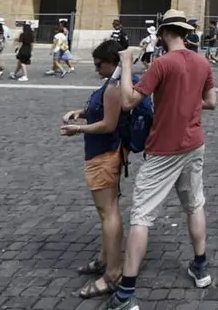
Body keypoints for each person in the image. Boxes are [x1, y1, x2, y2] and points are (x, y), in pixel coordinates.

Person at [111, 10, 217, 309]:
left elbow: (129, 100)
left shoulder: (161, 64)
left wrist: (127, 64)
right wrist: (186, 104)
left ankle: (127, 291)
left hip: (164, 150)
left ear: (163, 33)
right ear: (184, 32)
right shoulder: (202, 61)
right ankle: (200, 267)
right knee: (195, 204)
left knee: (142, 216)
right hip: (194, 144)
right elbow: (211, 102)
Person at [60, 39, 127, 300]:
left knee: (108, 212)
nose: (97, 69)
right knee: (106, 212)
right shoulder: (113, 83)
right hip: (105, 153)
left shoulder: (114, 87)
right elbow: (101, 112)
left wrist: (78, 129)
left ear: (112, 62)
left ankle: (113, 273)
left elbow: (108, 124)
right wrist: (81, 112)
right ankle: (104, 259)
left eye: (100, 64)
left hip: (105, 155)